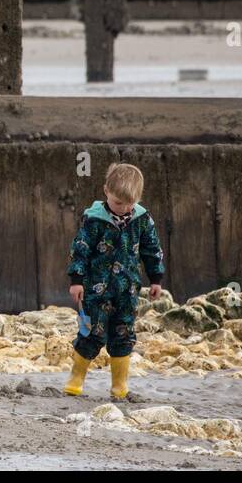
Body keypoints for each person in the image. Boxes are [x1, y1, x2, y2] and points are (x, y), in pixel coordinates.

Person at [63, 163, 165, 401]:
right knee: (91, 333)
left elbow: (152, 249)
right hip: (95, 289)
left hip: (127, 289)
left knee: (123, 334)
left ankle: (120, 386)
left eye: (129, 203)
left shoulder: (142, 219)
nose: (124, 208)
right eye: (119, 203)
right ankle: (75, 379)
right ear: (106, 191)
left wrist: (155, 278)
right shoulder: (93, 219)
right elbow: (80, 249)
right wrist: (76, 280)